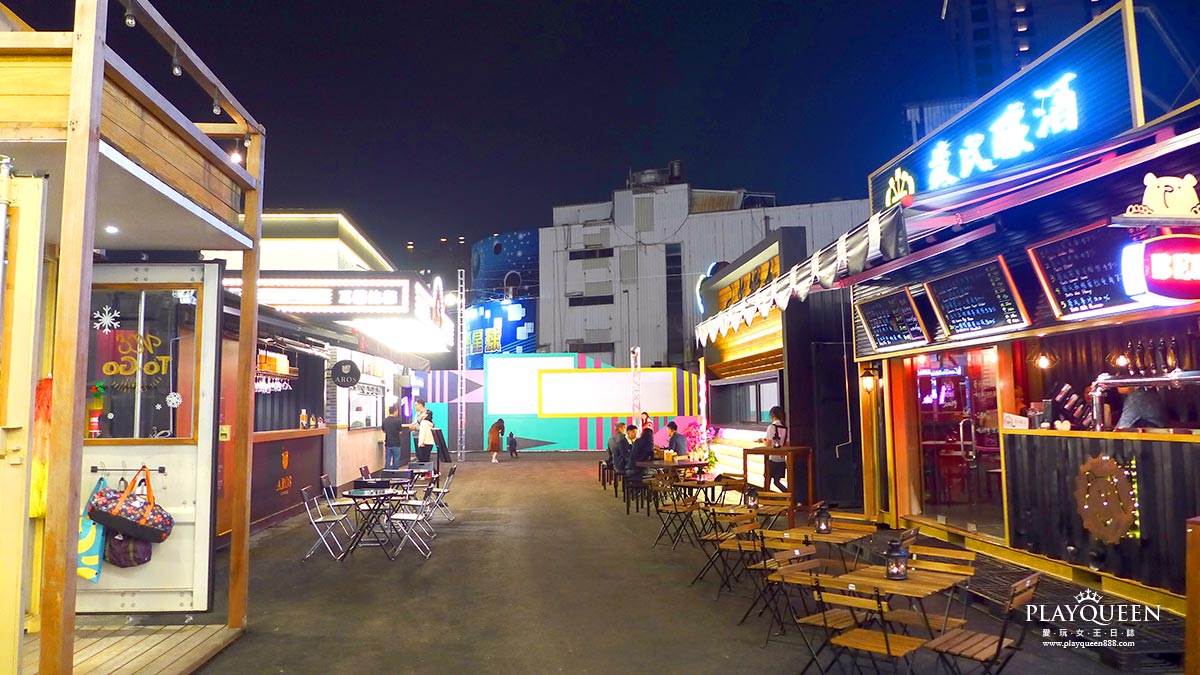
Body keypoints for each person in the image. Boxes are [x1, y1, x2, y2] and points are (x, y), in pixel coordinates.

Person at [762, 405, 789, 492]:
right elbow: (787, 444)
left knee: (767, 480)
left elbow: (768, 444)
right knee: (777, 482)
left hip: (772, 458)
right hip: (782, 459)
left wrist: (762, 440)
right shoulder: (785, 428)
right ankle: (790, 496)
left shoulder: (771, 427)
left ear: (772, 416)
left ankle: (766, 497)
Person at [409, 399, 434, 463]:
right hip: (416, 436)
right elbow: (415, 423)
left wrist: (415, 427)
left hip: (422, 438)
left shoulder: (427, 413)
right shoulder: (417, 413)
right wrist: (412, 426)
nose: (415, 406)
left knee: (423, 457)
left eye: (416, 405)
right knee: (419, 456)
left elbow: (425, 426)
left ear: (420, 405)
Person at [382, 404, 404, 470]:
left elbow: (383, 430)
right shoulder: (398, 421)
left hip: (388, 442)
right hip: (396, 443)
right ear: (395, 411)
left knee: (388, 459)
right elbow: (400, 431)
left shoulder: (385, 420)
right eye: (397, 411)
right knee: (396, 458)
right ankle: (395, 473)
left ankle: (387, 472)